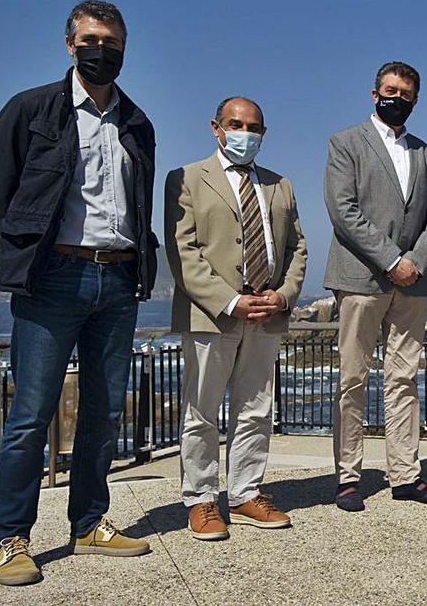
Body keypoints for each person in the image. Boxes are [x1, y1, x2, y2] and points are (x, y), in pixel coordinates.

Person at [0, 0, 157, 586]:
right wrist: (27, 255)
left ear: (125, 48)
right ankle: (12, 538)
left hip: (119, 278)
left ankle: (88, 523)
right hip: (53, 278)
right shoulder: (30, 110)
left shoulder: (137, 122)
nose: (101, 50)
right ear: (69, 42)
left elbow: (138, 201)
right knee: (30, 416)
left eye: (112, 41)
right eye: (91, 39)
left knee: (103, 414)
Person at [165, 97, 307, 540]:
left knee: (256, 409)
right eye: (236, 124)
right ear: (216, 127)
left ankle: (246, 493)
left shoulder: (279, 185)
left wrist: (283, 296)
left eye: (254, 127)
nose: (245, 133)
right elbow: (183, 251)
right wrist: (229, 301)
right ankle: (201, 500)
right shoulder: (186, 178)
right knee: (202, 411)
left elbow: (297, 248)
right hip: (213, 314)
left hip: (266, 314)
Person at [324, 61, 427, 510]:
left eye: (406, 94)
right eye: (390, 90)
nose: (397, 98)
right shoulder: (345, 143)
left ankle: (405, 474)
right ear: (374, 93)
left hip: (412, 283)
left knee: (404, 378)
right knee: (352, 378)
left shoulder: (426, 154)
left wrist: (414, 260)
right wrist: (391, 258)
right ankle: (348, 476)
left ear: (415, 101)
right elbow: (343, 210)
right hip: (360, 277)